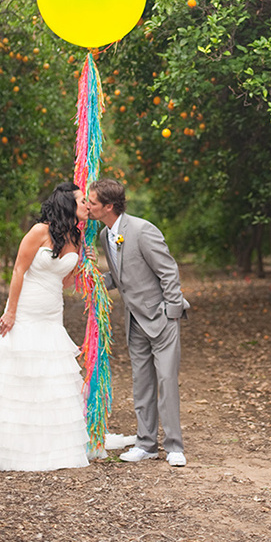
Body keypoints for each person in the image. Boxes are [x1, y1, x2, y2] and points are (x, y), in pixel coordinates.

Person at [0, 182, 90, 472]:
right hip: (26, 309)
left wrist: (82, 266)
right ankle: (14, 446)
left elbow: (65, 281)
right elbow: (19, 270)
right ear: (67, 204)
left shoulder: (75, 236)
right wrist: (11, 311)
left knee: (50, 373)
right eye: (82, 201)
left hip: (51, 313)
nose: (86, 205)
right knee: (21, 372)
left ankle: (51, 445)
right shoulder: (39, 232)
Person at [88, 178, 189, 467]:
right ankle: (146, 445)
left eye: (92, 202)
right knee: (141, 382)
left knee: (167, 381)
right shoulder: (107, 235)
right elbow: (122, 278)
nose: (88, 206)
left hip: (162, 319)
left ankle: (174, 447)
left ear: (108, 206)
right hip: (134, 321)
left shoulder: (143, 230)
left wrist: (171, 313)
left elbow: (169, 271)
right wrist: (92, 280)